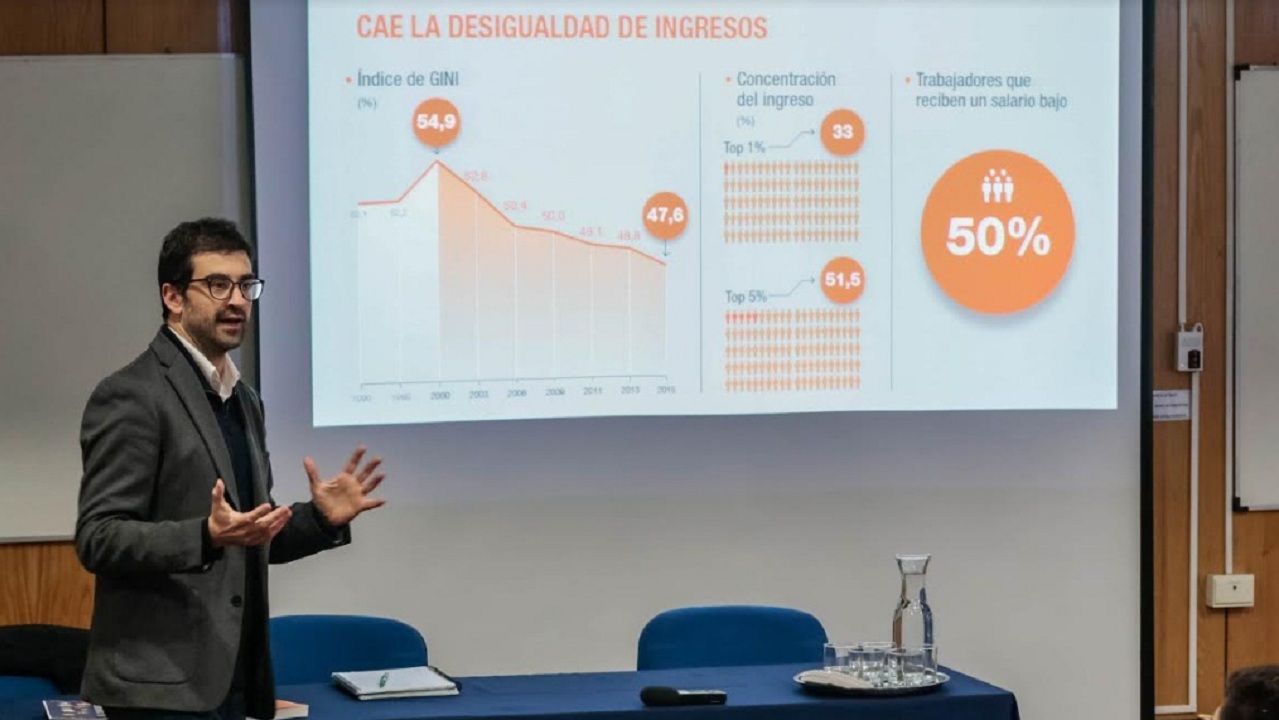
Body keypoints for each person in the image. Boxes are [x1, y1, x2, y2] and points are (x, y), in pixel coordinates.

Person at [75, 218, 387, 720]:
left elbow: (249, 535)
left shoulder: (244, 400)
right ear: (173, 297)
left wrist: (319, 519)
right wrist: (205, 535)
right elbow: (99, 538)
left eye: (246, 285)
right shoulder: (132, 395)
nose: (238, 300)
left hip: (236, 682)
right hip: (158, 692)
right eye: (218, 285)